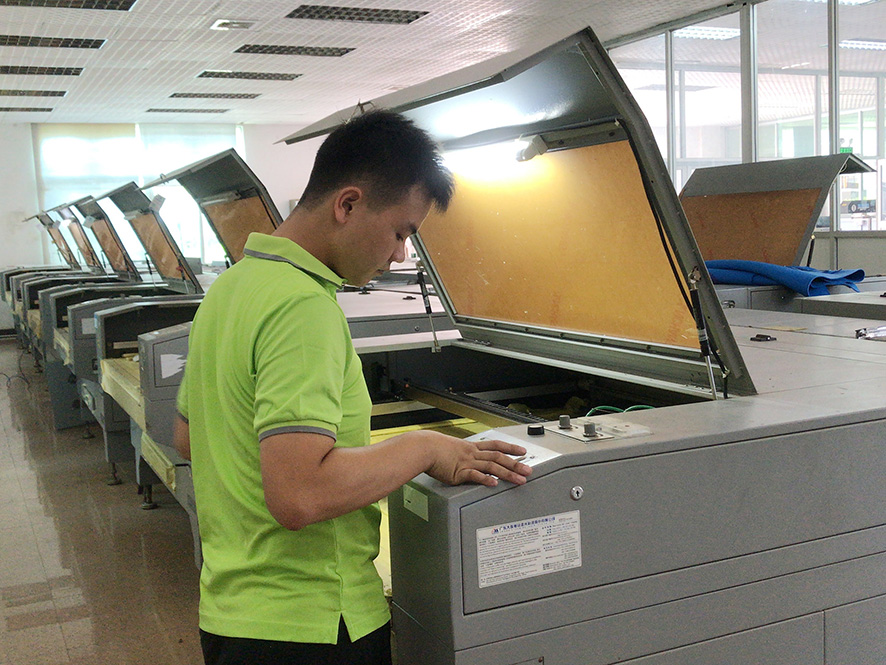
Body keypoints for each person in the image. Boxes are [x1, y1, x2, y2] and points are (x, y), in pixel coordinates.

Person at [173, 110, 532, 665]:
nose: (400, 255)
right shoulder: (301, 307)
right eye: (400, 232)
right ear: (347, 204)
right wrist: (424, 447)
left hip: (232, 615)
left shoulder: (230, 288)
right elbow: (299, 495)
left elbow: (187, 437)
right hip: (314, 625)